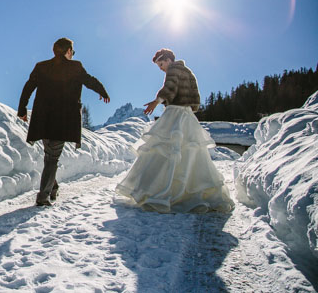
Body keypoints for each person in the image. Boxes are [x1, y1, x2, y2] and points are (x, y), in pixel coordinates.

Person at [115, 48, 234, 213]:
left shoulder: (173, 69)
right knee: (190, 155)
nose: (161, 68)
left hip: (176, 113)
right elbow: (196, 98)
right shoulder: (187, 71)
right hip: (187, 115)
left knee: (164, 151)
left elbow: (170, 88)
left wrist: (156, 102)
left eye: (161, 64)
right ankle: (190, 192)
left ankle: (160, 192)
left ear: (168, 59)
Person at [18, 38, 110, 206]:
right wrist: (102, 91)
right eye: (72, 52)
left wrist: (22, 109)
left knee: (50, 156)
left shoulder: (41, 66)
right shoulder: (75, 67)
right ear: (68, 51)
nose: (72, 55)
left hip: (43, 120)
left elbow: (28, 87)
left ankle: (53, 188)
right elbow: (89, 80)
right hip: (62, 121)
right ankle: (43, 196)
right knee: (52, 158)